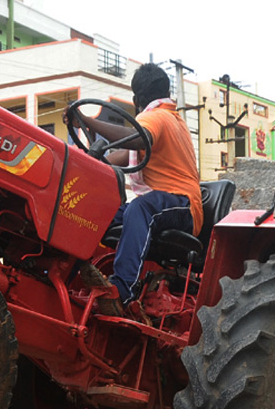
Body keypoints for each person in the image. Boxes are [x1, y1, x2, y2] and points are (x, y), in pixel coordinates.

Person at [77, 63, 203, 312]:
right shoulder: (168, 120)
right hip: (164, 202)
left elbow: (137, 138)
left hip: (183, 204)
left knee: (140, 209)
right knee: (102, 212)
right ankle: (75, 272)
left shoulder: (157, 117)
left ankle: (122, 291)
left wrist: (90, 122)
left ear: (137, 99)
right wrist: (80, 160)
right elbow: (116, 158)